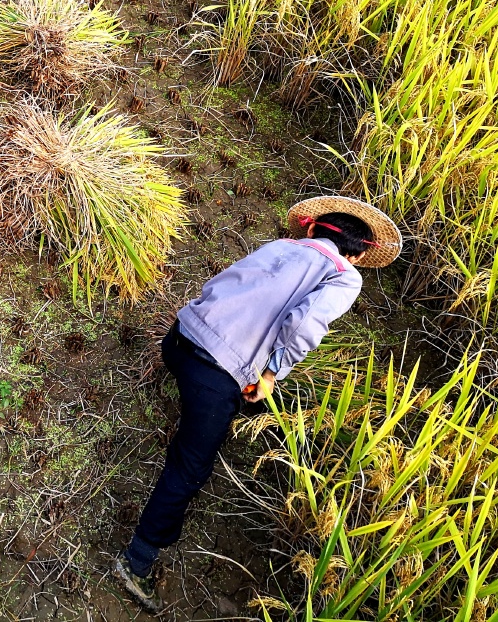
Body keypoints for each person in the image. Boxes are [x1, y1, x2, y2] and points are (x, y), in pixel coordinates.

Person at [112, 196, 402, 613]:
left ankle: (209, 407)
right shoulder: (345, 276)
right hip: (211, 373)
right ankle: (137, 560)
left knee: (225, 403)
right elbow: (303, 323)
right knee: (189, 467)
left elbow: (223, 283)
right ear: (356, 254)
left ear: (311, 230)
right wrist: (270, 374)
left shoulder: (280, 246)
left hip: (178, 339)